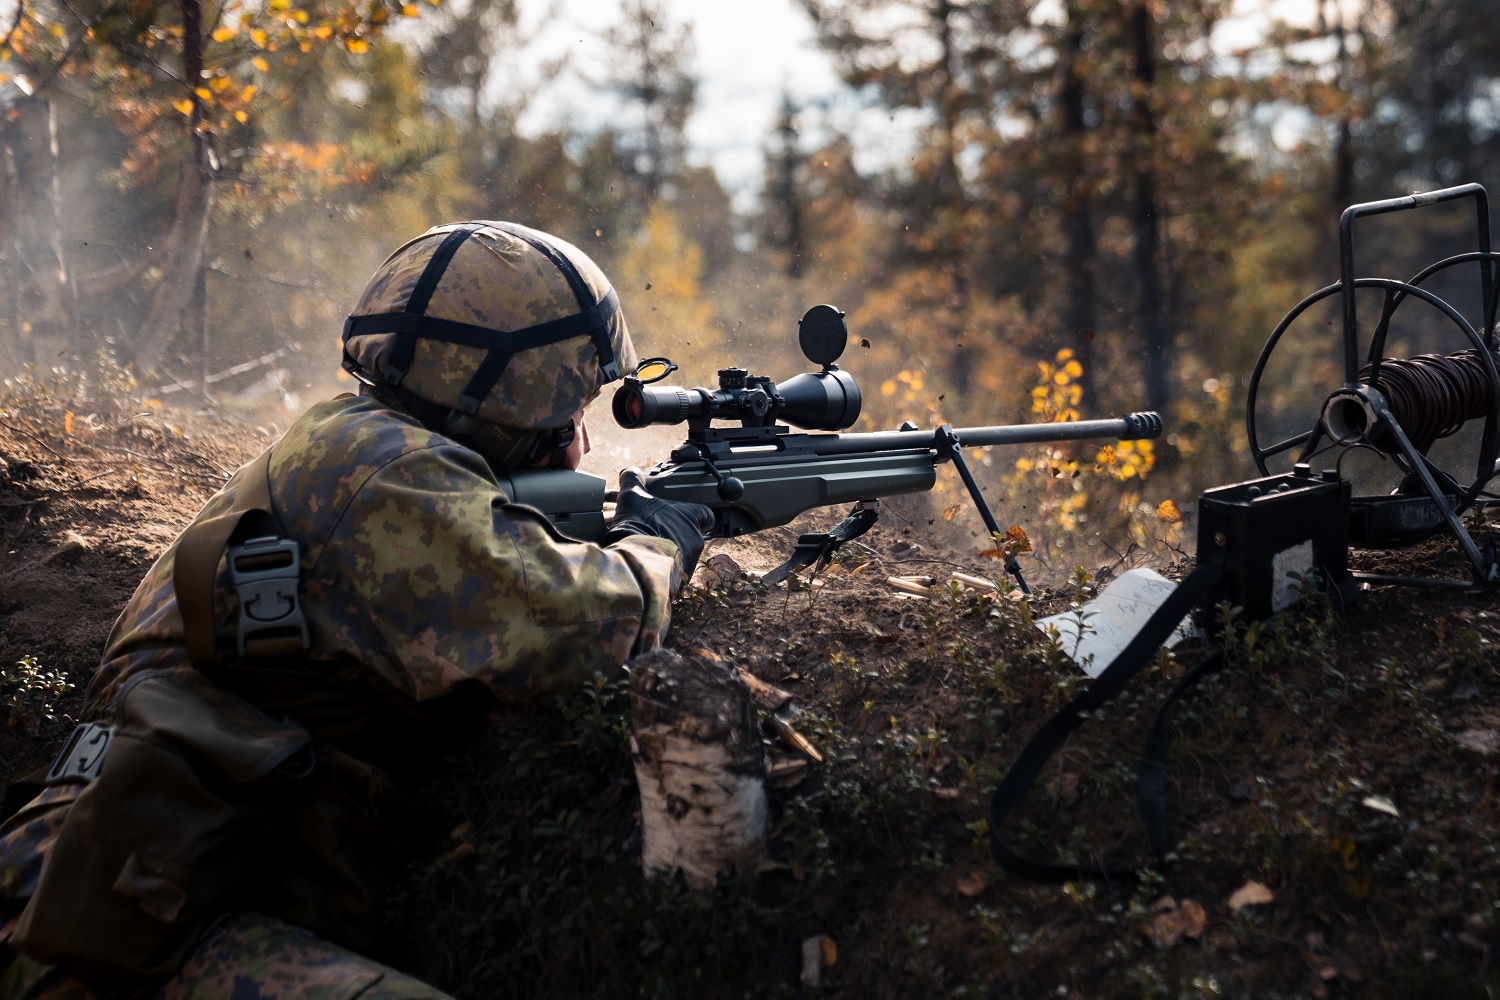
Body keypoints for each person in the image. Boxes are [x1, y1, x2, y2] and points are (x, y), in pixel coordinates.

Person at [0, 221, 716, 998]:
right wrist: (657, 545)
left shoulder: (353, 443)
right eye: (567, 404)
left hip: (149, 876)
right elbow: (585, 630)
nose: (578, 441)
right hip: (106, 928)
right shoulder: (386, 474)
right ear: (499, 391)